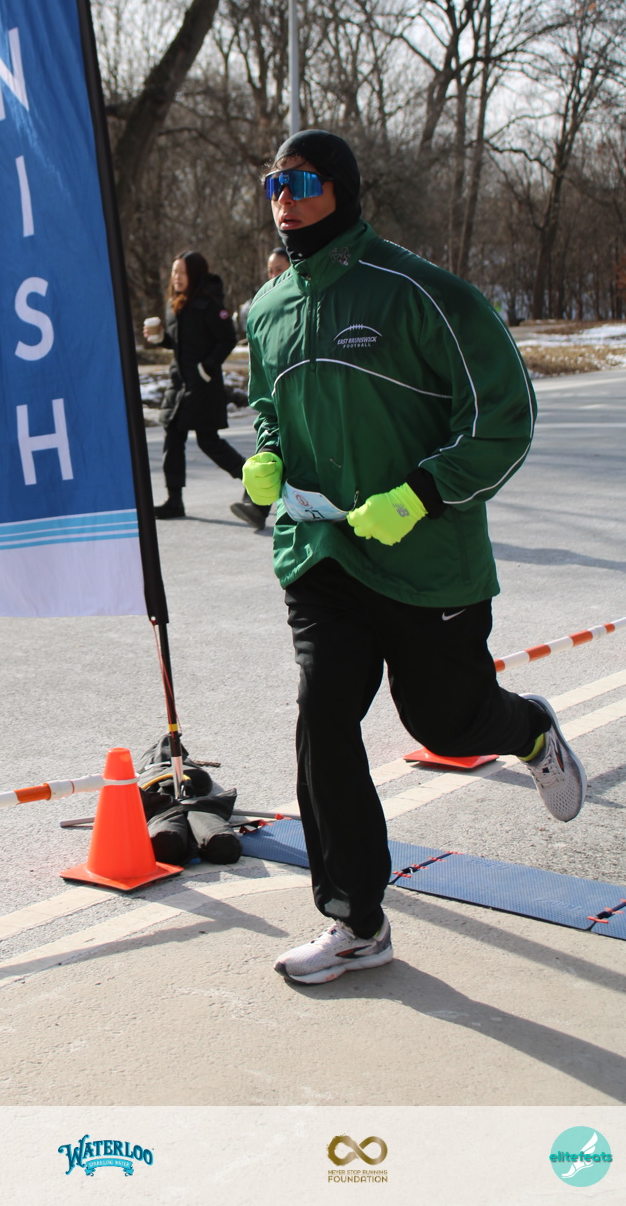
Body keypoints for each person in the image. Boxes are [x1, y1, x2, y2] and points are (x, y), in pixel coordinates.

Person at [243, 128, 587, 985]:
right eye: (274, 184)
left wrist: (422, 494)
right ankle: (355, 921)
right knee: (323, 715)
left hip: (426, 559)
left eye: (303, 182)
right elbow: (268, 408)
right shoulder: (268, 309)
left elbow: (505, 417)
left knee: (444, 723)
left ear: (344, 189)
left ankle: (529, 729)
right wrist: (268, 455)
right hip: (322, 552)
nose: (285, 199)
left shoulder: (421, 292)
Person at [145, 250, 243, 519]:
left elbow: (227, 339)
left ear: (195, 274)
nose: (176, 277)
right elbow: (179, 343)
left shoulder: (210, 305)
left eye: (183, 272)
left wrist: (207, 368)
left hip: (203, 385)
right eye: (174, 272)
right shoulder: (174, 304)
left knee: (208, 442)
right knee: (172, 437)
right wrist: (161, 338)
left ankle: (253, 480)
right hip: (179, 384)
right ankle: (174, 500)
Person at [231, 245, 292, 530]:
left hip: (297, 391)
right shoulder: (266, 305)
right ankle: (256, 503)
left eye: (279, 269)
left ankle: (257, 505)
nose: (274, 275)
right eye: (270, 270)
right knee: (271, 440)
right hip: (274, 392)